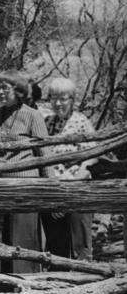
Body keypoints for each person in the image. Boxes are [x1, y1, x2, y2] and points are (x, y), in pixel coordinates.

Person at [0, 70, 49, 274]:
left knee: (24, 245)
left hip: (26, 190)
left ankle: (28, 293)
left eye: (5, 87)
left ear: (18, 89)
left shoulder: (33, 116)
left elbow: (45, 156)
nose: (1, 92)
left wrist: (52, 189)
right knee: (0, 245)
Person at [41, 77, 95, 259]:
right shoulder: (46, 123)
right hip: (52, 193)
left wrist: (69, 196)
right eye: (53, 98)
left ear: (72, 99)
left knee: (80, 246)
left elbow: (91, 159)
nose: (57, 103)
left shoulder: (81, 122)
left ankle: (86, 283)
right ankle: (58, 283)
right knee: (56, 246)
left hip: (77, 192)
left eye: (63, 98)